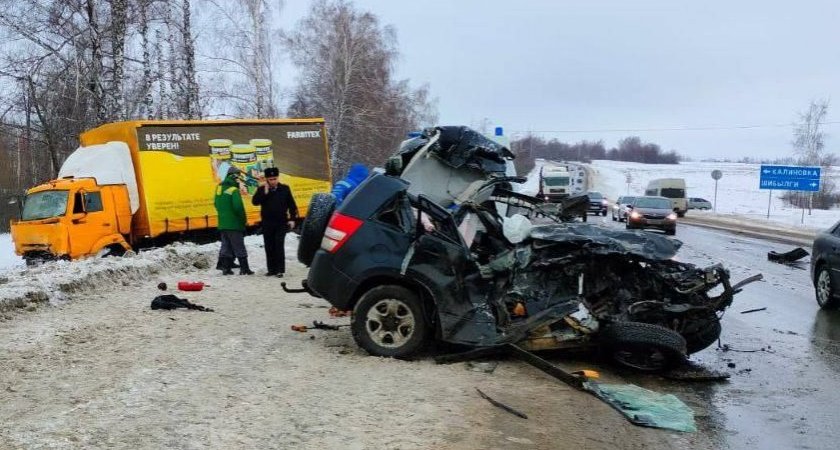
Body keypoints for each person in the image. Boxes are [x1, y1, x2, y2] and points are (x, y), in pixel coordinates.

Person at [251, 167, 298, 277]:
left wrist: (292, 219)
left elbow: (292, 205)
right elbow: (255, 202)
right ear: (267, 179)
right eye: (271, 179)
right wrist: (265, 192)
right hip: (267, 223)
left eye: (275, 178)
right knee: (269, 246)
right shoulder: (262, 190)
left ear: (278, 178)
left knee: (278, 245)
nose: (273, 181)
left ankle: (279, 270)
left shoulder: (285, 189)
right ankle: (271, 269)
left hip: (281, 222)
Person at [214, 167, 254, 275]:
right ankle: (244, 269)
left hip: (223, 223)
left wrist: (223, 214)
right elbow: (238, 207)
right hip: (234, 224)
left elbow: (216, 204)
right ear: (235, 177)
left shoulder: (219, 188)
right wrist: (243, 220)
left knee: (226, 245)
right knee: (239, 245)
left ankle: (226, 269)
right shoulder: (234, 190)